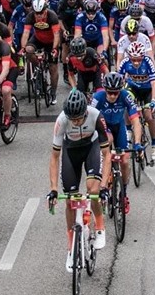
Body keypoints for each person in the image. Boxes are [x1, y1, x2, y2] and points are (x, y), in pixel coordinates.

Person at [47, 89, 111, 270]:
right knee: (70, 200)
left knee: (93, 190)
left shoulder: (96, 116)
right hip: (70, 151)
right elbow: (54, 157)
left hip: (91, 147)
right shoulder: (61, 121)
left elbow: (107, 154)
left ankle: (99, 226)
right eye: (72, 118)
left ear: (85, 111)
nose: (75, 121)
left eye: (79, 118)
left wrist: (104, 185)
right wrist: (53, 189)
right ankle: (71, 247)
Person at [90, 73, 142, 215]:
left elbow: (136, 121)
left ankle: (123, 193)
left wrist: (137, 143)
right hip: (103, 128)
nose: (113, 96)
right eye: (110, 92)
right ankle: (105, 180)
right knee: (108, 141)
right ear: (105, 89)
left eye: (115, 93)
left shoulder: (125, 96)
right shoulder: (97, 98)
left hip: (119, 126)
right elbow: (89, 120)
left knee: (125, 160)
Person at [118, 42, 155, 161]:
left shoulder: (148, 62)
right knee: (127, 103)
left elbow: (154, 83)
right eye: (133, 60)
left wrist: (153, 100)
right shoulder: (125, 63)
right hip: (133, 88)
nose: (136, 63)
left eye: (138, 60)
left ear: (143, 56)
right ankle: (128, 130)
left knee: (149, 116)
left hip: (147, 90)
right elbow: (119, 81)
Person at [21, 0, 62, 104]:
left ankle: (53, 93)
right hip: (38, 39)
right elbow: (26, 33)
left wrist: (54, 49)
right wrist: (23, 48)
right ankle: (38, 67)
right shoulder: (30, 16)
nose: (39, 16)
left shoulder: (52, 16)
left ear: (45, 10)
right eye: (37, 13)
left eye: (41, 13)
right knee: (29, 50)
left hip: (51, 41)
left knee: (53, 68)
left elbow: (57, 35)